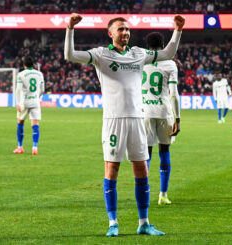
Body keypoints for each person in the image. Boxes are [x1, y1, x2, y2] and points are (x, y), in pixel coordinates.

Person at [64, 13, 185, 237]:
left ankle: (144, 222)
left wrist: (177, 30)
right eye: (120, 29)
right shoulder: (101, 54)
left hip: (138, 119)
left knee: (142, 169)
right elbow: (70, 55)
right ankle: (113, 223)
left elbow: (168, 53)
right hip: (113, 121)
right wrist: (70, 28)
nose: (125, 32)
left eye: (127, 29)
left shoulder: (139, 54)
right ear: (110, 33)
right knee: (112, 169)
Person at [142, 32, 180, 206]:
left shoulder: (140, 61)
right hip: (164, 112)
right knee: (164, 151)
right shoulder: (170, 64)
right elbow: (174, 94)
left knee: (146, 154)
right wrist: (177, 118)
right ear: (164, 45)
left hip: (145, 112)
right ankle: (163, 195)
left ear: (147, 45)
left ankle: (144, 193)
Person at [13, 56, 45, 155]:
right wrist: (36, 97)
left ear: (24, 65)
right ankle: (34, 148)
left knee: (20, 124)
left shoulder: (21, 74)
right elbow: (42, 90)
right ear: (33, 64)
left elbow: (18, 90)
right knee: (35, 126)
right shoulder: (40, 74)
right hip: (35, 102)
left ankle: (20, 147)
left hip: (24, 102)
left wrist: (17, 102)